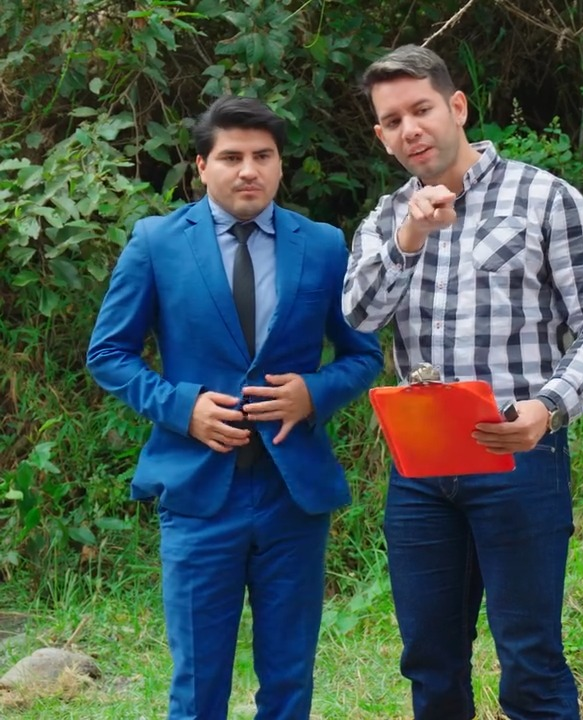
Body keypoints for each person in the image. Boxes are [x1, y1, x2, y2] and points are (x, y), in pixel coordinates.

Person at [343, 45, 583, 720]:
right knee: (429, 659)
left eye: (421, 109)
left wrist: (549, 407)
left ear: (457, 107)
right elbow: (358, 316)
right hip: (421, 468)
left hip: (516, 453)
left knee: (530, 657)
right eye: (393, 121)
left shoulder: (545, 198)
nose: (411, 129)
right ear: (381, 136)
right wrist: (410, 238)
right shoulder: (387, 219)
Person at [87, 95, 383, 720]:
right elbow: (109, 353)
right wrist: (182, 407)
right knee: (198, 684)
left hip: (292, 493)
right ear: (202, 166)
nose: (248, 170)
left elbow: (363, 355)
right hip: (198, 493)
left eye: (262, 156)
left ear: (280, 165)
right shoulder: (157, 243)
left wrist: (314, 392)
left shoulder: (323, 245)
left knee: (290, 678)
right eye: (231, 157)